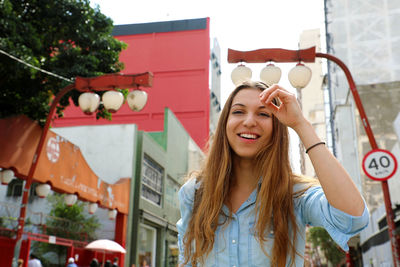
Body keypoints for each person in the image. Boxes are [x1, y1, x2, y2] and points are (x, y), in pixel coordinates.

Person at [177, 82, 369, 266]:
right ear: (225, 123)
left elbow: (353, 218)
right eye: (238, 112)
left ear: (277, 128)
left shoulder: (295, 194)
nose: (249, 121)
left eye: (263, 114)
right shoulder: (194, 192)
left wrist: (300, 124)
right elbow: (186, 261)